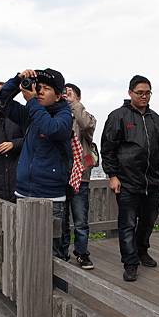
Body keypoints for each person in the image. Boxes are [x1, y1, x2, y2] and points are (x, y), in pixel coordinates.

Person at [0, 69, 72, 260]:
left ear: (58, 95)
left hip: (51, 197)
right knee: (23, 248)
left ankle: (55, 289)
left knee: (52, 254)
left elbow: (51, 129)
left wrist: (30, 102)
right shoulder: (31, 112)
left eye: (46, 89)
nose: (39, 92)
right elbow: (1, 101)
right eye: (38, 87)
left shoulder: (64, 116)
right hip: (23, 192)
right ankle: (26, 289)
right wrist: (17, 79)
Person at [101, 75, 159, 282]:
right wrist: (112, 175)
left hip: (152, 181)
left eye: (147, 92)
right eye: (140, 93)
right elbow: (108, 148)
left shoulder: (156, 119)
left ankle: (142, 250)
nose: (144, 96)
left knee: (148, 221)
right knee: (127, 223)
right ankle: (130, 262)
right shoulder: (118, 116)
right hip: (127, 181)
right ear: (130, 92)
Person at [61, 82, 97, 269]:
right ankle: (62, 252)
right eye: (63, 93)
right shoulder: (58, 116)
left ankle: (82, 253)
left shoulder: (86, 116)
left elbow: (87, 125)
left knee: (80, 219)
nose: (66, 96)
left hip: (80, 175)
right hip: (60, 174)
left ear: (79, 97)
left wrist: (75, 105)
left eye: (70, 93)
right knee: (62, 218)